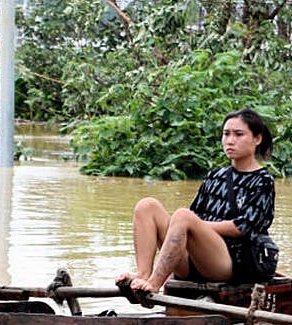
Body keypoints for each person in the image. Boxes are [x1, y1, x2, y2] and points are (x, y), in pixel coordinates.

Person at [117, 107, 277, 293]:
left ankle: (153, 284)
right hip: (195, 259)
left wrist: (195, 225)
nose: (230, 140)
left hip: (231, 263)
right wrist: (187, 226)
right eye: (226, 134)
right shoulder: (215, 176)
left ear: (257, 139)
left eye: (238, 134)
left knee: (182, 216)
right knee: (147, 206)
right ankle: (143, 273)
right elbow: (194, 216)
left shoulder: (263, 181)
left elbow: (243, 228)